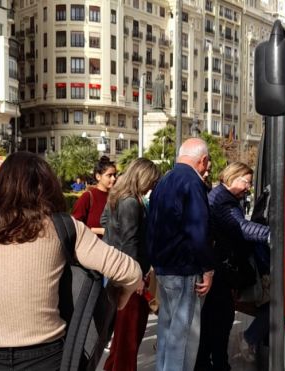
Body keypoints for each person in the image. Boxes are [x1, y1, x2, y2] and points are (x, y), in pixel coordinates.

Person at [0, 151, 143, 371]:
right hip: (47, 357)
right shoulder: (60, 226)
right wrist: (118, 299)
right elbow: (131, 272)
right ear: (47, 187)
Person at [146, 137, 215, 371]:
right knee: (183, 339)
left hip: (164, 268)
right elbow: (198, 229)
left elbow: (152, 224)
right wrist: (208, 269)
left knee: (167, 332)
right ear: (203, 161)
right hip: (184, 268)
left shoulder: (164, 180)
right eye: (208, 163)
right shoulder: (192, 183)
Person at [195, 162, 270, 371]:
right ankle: (217, 365)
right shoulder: (224, 200)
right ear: (233, 177)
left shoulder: (220, 196)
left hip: (218, 268)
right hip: (220, 271)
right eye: (246, 182)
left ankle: (209, 363)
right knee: (220, 322)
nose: (248, 187)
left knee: (214, 322)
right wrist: (271, 235)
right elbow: (242, 227)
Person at [101, 158, 161, 371]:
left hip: (120, 274)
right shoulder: (130, 202)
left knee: (122, 337)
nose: (153, 186)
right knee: (129, 338)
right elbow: (130, 242)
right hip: (131, 278)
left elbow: (105, 224)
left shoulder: (118, 197)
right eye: (152, 181)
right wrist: (136, 278)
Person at [72, 156, 117, 236]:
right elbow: (75, 226)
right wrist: (98, 230)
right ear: (98, 176)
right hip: (92, 246)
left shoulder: (116, 197)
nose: (114, 178)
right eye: (109, 175)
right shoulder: (87, 197)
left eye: (114, 175)